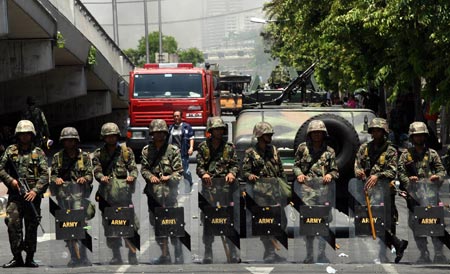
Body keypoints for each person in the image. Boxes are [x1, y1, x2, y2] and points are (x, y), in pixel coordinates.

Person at [350, 118, 408, 263]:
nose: (376, 133)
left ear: (384, 132)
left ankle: (388, 251)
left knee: (388, 222)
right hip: (368, 191)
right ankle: (397, 243)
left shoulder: (391, 150)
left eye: (379, 131)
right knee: (372, 222)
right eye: (374, 131)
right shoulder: (364, 148)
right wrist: (360, 172)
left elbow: (392, 171)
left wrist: (377, 176)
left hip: (385, 191)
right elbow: (357, 165)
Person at [0, 120, 49, 268]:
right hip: (16, 196)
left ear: (31, 134)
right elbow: (0, 169)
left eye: (27, 134)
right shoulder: (10, 151)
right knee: (12, 223)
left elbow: (45, 174)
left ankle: (30, 257)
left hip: (32, 197)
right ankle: (17, 257)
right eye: (22, 134)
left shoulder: (38, 152)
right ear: (18, 135)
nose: (25, 137)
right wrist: (11, 181)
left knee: (31, 226)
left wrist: (35, 191)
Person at [398, 121, 448, 264]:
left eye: (421, 136)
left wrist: (437, 177)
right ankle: (423, 252)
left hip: (431, 196)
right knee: (416, 224)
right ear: (411, 138)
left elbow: (441, 170)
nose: (419, 138)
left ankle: (439, 253)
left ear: (425, 136)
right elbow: (400, 174)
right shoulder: (405, 156)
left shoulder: (432, 154)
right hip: (415, 197)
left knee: (436, 223)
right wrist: (409, 181)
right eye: (416, 136)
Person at [92, 122, 139, 265]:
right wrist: (101, 177)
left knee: (131, 224)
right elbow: (97, 170)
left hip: (124, 195)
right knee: (110, 225)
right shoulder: (99, 154)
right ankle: (116, 254)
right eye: (108, 136)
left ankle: (132, 253)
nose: (111, 139)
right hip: (107, 196)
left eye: (113, 136)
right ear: (104, 138)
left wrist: (132, 176)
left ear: (117, 136)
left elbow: (134, 168)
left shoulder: (126, 152)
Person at [241, 121, 288, 263]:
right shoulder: (250, 153)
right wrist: (249, 176)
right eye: (267, 134)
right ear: (260, 136)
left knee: (281, 221)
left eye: (270, 134)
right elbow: (244, 171)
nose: (270, 137)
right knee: (264, 222)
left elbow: (280, 170)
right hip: (260, 193)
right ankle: (269, 251)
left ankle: (272, 246)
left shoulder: (274, 150)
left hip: (274, 191)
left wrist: (285, 188)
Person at [293, 120, 339, 263]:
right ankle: (309, 254)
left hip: (324, 191)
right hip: (307, 191)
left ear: (324, 134)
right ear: (310, 134)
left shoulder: (329, 151)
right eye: (314, 133)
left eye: (319, 132)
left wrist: (330, 175)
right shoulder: (302, 148)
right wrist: (299, 174)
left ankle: (321, 253)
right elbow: (296, 166)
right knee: (309, 222)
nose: (317, 135)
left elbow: (335, 171)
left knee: (323, 223)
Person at [196, 117, 239, 264]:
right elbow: (199, 167)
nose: (219, 132)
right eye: (216, 129)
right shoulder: (203, 147)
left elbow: (235, 165)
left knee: (228, 220)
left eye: (221, 129)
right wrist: (204, 173)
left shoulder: (229, 147)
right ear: (211, 131)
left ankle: (232, 251)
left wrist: (232, 173)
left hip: (226, 189)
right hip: (209, 189)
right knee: (209, 220)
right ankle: (208, 251)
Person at [141, 119, 184, 264]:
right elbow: (144, 169)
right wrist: (151, 176)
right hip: (153, 194)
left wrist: (169, 177)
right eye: (156, 133)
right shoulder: (147, 150)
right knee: (157, 224)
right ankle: (164, 254)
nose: (159, 136)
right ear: (152, 134)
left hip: (169, 193)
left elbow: (179, 171)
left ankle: (178, 251)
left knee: (173, 223)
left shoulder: (173, 150)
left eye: (161, 133)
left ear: (165, 134)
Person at [50, 127, 94, 267]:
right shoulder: (58, 157)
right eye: (66, 140)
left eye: (71, 140)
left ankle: (84, 256)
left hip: (79, 197)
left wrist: (84, 179)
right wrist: (56, 180)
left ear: (76, 141)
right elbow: (53, 175)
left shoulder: (84, 157)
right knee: (67, 227)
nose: (69, 143)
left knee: (82, 226)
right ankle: (74, 256)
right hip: (64, 197)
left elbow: (90, 175)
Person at [168, 110, 194, 193]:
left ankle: (189, 183)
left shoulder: (187, 127)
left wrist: (191, 148)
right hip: (173, 154)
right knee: (174, 172)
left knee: (185, 172)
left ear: (181, 117)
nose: (176, 118)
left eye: (177, 116)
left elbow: (191, 138)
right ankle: (176, 189)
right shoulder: (171, 127)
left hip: (183, 152)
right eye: (174, 116)